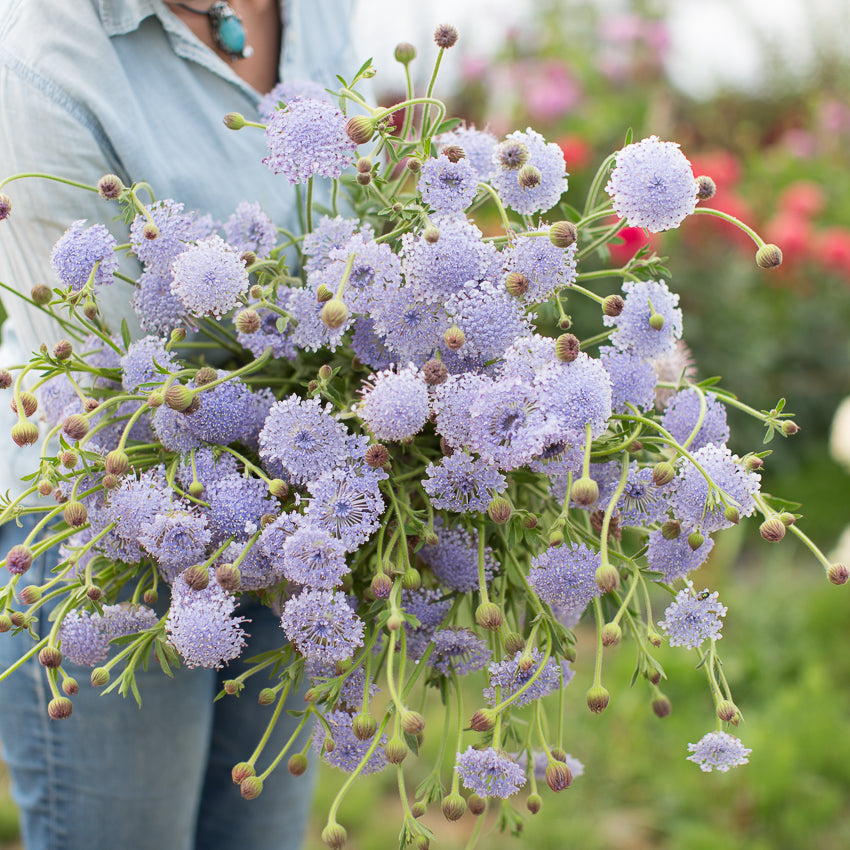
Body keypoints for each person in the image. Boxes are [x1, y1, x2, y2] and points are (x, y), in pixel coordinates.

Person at [0, 1, 357, 847]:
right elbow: (128, 383)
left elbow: (352, 220)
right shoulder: (43, 60)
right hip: (105, 534)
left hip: (299, 515)